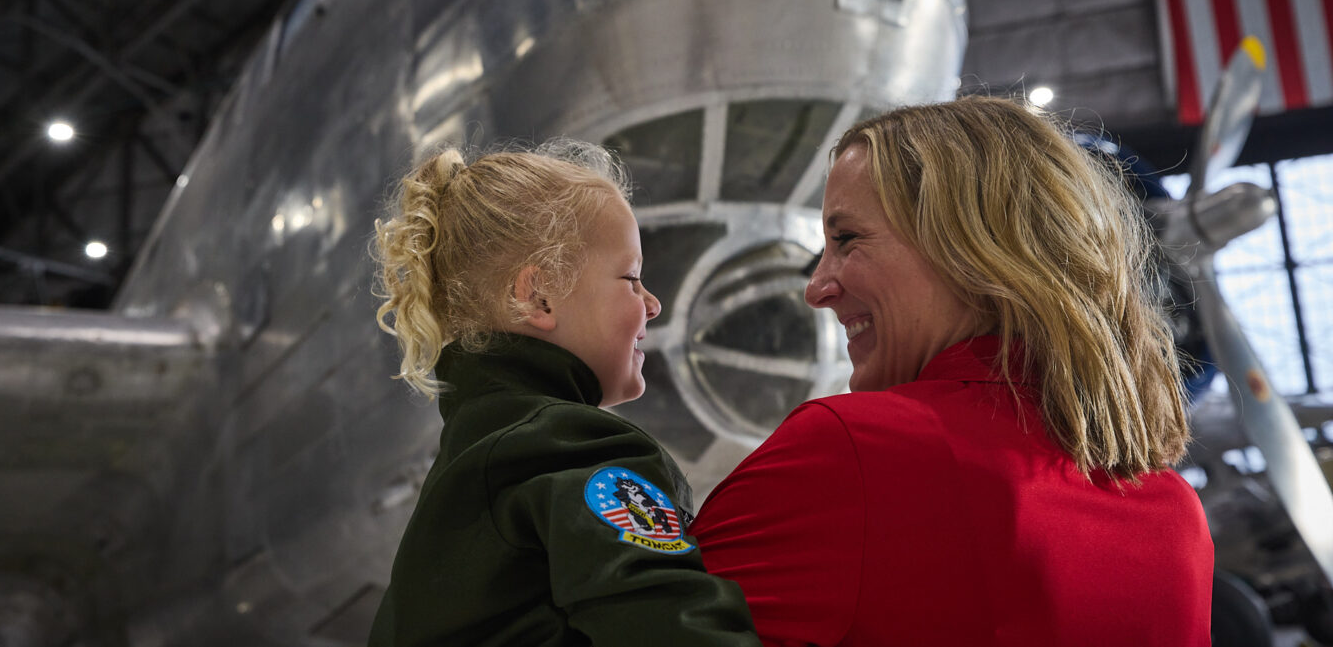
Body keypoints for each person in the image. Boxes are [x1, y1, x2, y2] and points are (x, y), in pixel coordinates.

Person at [689, 96, 1213, 646]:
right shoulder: (1177, 516)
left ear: (972, 245)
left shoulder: (854, 451)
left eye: (846, 240)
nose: (817, 288)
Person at [366, 139, 759, 647]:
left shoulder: (469, 469)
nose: (653, 304)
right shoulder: (569, 449)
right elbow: (671, 624)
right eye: (632, 278)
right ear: (538, 296)